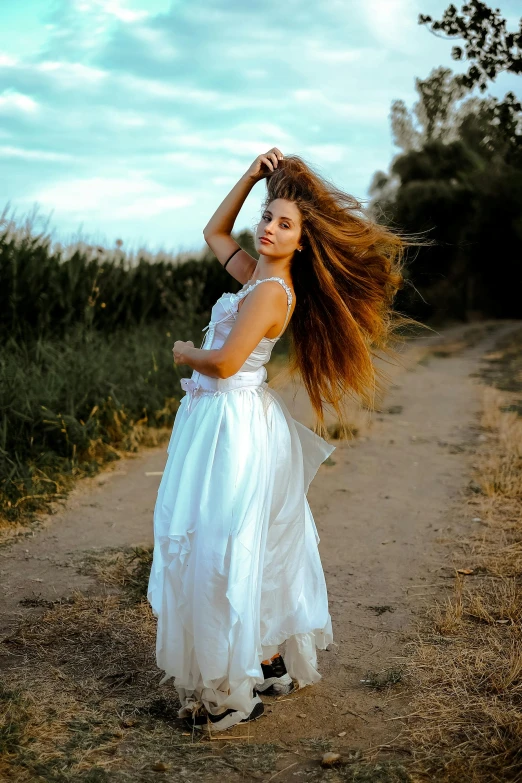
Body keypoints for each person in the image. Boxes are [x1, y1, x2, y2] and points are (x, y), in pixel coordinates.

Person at [147, 148, 416, 734]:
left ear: (303, 241)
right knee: (249, 538)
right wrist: (249, 177)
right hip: (226, 419)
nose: (268, 227)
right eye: (268, 216)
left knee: (223, 540)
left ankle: (230, 689)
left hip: (233, 420)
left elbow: (223, 362)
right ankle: (266, 660)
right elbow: (214, 231)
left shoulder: (270, 292)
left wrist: (184, 354)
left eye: (284, 223)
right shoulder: (257, 276)